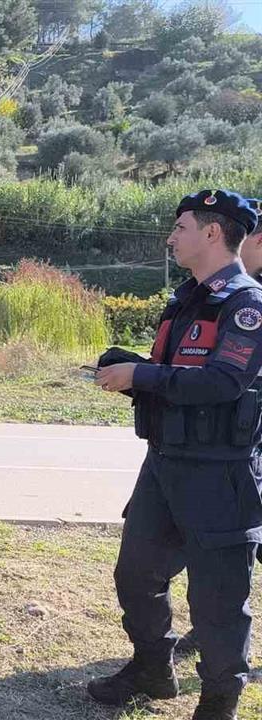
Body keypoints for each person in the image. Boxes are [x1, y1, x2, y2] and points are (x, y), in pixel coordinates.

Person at [90, 189, 262, 720]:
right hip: (164, 466)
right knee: (136, 575)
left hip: (220, 476)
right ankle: (152, 669)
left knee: (217, 602)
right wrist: (133, 371)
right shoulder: (185, 298)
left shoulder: (247, 304)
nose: (171, 237)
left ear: (213, 233)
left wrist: (142, 374)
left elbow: (225, 382)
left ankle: (218, 703)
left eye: (181, 227)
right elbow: (180, 376)